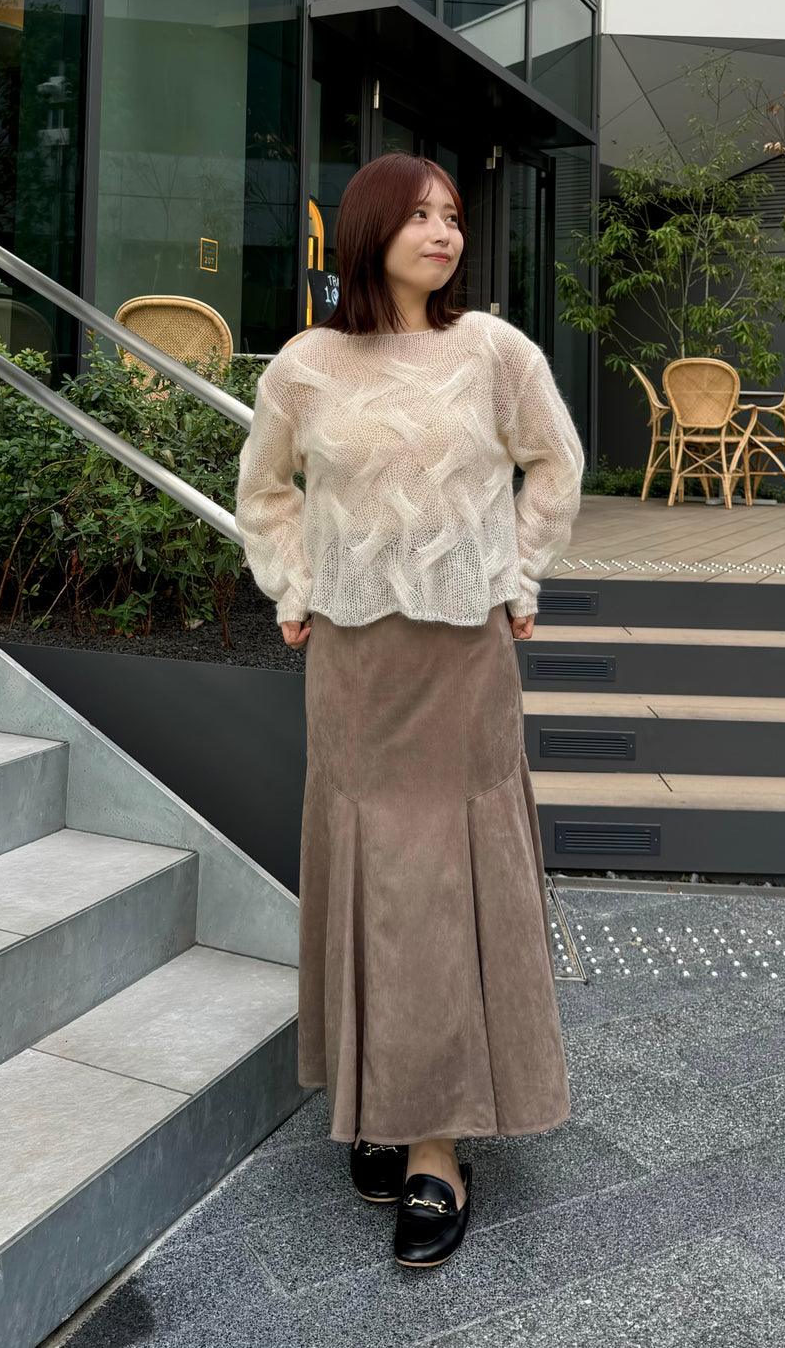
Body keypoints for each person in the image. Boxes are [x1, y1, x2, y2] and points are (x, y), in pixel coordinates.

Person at [234, 151, 585, 1269]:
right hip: (354, 662)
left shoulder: (493, 352)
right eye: (421, 215)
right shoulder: (306, 365)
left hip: (463, 661)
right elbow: (264, 490)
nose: (443, 233)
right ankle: (382, 1099)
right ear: (370, 228)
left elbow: (556, 462)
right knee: (372, 877)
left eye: (453, 216)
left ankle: (435, 1142)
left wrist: (518, 572)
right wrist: (293, 584)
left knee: (439, 882)